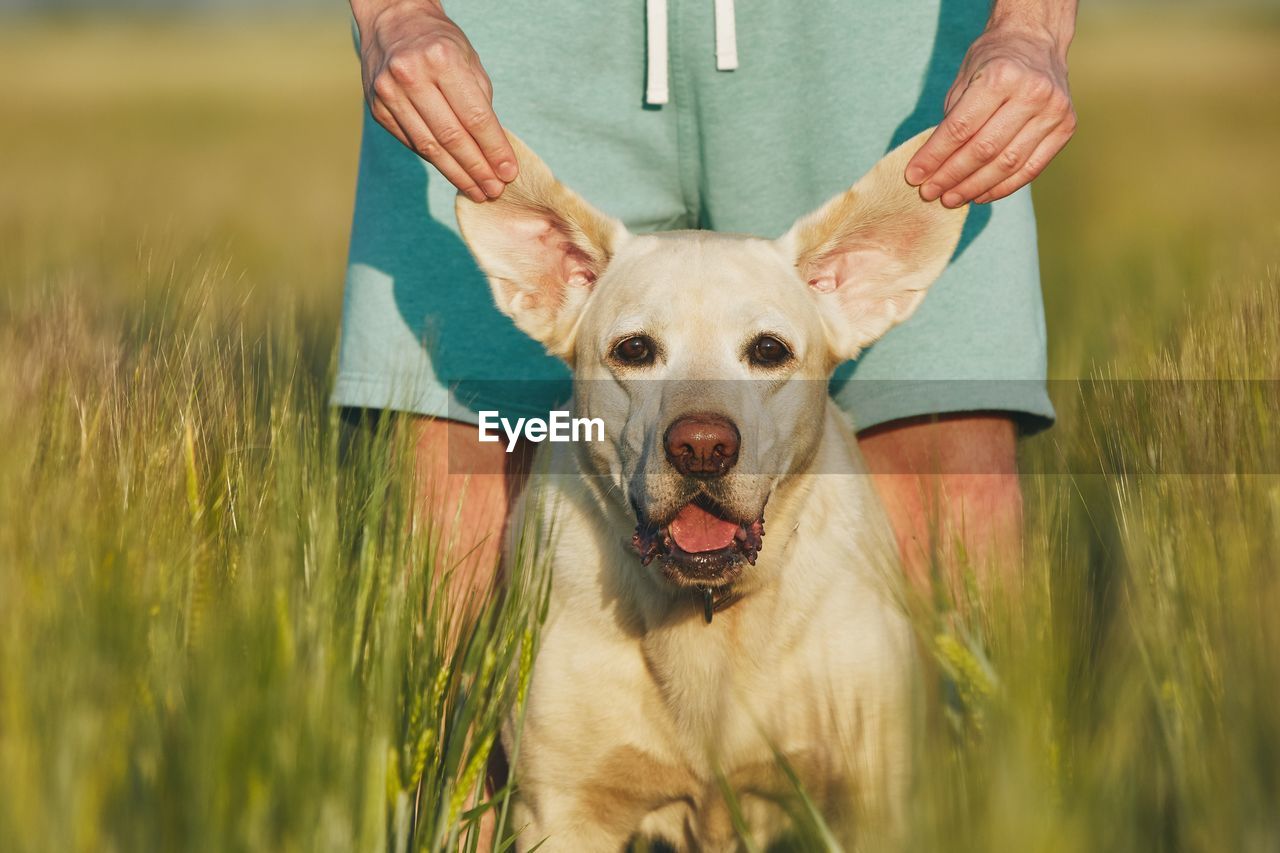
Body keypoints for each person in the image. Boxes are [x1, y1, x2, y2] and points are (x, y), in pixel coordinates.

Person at [336, 0, 1078, 594]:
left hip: (879, 39)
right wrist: (393, 12)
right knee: (445, 569)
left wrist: (1032, 23)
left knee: (950, 546)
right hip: (509, 34)